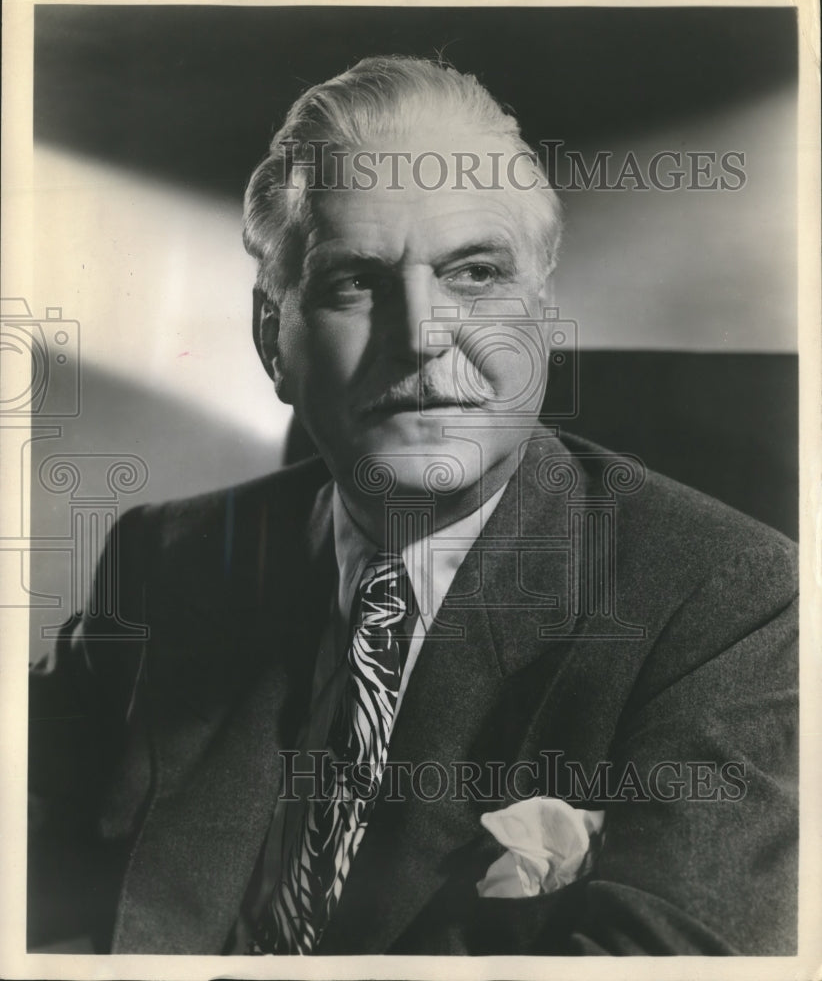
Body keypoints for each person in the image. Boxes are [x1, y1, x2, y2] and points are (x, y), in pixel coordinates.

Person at [27, 55, 798, 957]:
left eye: (475, 274)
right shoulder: (165, 560)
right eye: (353, 282)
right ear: (272, 340)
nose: (423, 334)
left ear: (542, 318)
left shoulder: (731, 606)